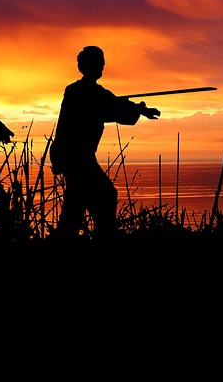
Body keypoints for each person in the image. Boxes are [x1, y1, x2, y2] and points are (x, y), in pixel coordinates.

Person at [49, 45, 160, 239]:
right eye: (99, 64)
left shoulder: (81, 91)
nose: (101, 68)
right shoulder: (85, 93)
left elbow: (114, 105)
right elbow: (113, 107)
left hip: (72, 157)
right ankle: (103, 238)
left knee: (78, 202)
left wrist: (140, 109)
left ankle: (82, 237)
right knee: (103, 196)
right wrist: (140, 110)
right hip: (78, 158)